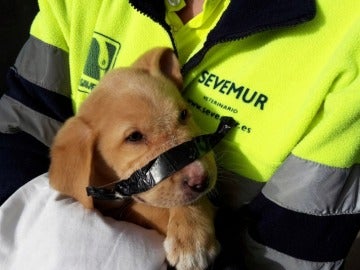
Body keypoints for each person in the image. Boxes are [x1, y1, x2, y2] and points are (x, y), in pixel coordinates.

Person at [0, 0, 359, 269]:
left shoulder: (347, 29)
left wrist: (178, 219)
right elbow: (18, 132)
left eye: (184, 116)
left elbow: (289, 256)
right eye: (137, 137)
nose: (197, 170)